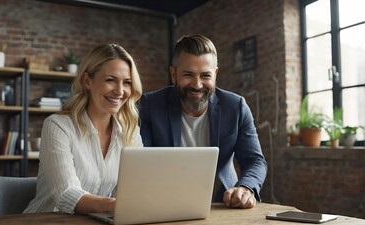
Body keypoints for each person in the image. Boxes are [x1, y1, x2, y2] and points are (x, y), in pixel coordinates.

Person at [139, 34, 267, 209]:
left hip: (223, 203)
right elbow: (140, 162)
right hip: (164, 203)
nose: (197, 85)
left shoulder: (236, 106)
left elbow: (254, 160)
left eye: (205, 75)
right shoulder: (150, 105)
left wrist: (245, 188)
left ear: (215, 74)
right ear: (173, 74)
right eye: (188, 74)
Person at [24, 43, 143, 214]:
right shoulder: (58, 126)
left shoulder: (130, 133)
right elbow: (67, 194)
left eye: (127, 83)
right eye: (110, 80)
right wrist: (118, 205)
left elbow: (132, 191)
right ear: (87, 81)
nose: (120, 91)